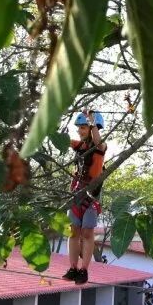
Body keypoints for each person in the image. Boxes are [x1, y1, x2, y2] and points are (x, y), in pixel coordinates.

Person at [62, 110, 106, 285]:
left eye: (83, 127)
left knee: (87, 232)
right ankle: (73, 267)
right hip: (76, 192)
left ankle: (84, 269)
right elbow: (63, 140)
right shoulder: (79, 146)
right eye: (79, 128)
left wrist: (92, 122)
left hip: (91, 195)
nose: (80, 131)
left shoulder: (101, 147)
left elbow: (98, 142)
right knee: (73, 231)